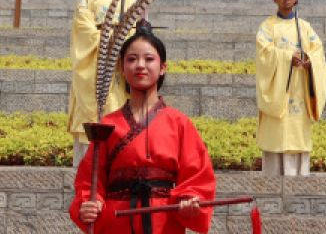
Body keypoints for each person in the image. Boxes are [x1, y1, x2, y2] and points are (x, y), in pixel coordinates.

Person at [70, 22, 216, 233]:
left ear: (163, 67)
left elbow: (198, 177)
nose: (140, 65)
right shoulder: (106, 125)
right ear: (122, 67)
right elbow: (89, 180)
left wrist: (190, 200)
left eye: (149, 59)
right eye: (131, 59)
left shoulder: (179, 123)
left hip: (163, 221)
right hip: (116, 221)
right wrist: (88, 204)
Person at [68, 0, 137, 167]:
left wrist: (122, 43)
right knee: (90, 112)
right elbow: (82, 24)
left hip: (118, 61)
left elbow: (135, 26)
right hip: (94, 60)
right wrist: (104, 39)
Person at [255, 0, 326, 176]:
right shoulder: (267, 27)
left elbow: (317, 51)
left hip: (300, 88)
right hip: (278, 91)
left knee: (297, 137)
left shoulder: (305, 27)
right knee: (276, 137)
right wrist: (289, 57)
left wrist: (308, 61)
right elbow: (264, 53)